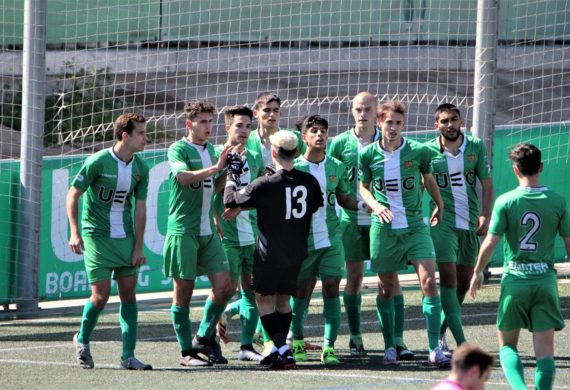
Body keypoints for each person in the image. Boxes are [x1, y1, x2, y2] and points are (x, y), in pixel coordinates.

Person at [469, 143, 570, 390]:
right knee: (545, 353)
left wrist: (477, 271)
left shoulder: (505, 201)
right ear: (542, 167)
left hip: (515, 281)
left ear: (515, 170)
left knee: (507, 346)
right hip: (545, 282)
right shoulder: (557, 201)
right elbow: (569, 243)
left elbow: (491, 241)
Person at [359, 100, 450, 367]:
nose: (393, 127)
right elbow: (363, 187)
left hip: (414, 227)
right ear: (379, 123)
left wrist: (439, 204)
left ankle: (435, 348)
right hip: (384, 229)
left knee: (430, 283)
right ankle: (390, 346)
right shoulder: (367, 155)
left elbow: (429, 179)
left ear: (403, 124)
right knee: (386, 289)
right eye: (389, 122)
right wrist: (376, 206)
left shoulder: (419, 151)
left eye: (398, 123)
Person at [224, 130, 323, 369]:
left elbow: (230, 200)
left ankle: (281, 349)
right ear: (298, 152)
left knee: (264, 301)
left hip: (270, 252)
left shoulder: (264, 184)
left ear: (274, 152)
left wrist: (231, 175)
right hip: (296, 250)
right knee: (284, 302)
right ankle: (281, 348)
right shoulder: (309, 180)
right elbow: (315, 205)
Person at [328, 92, 413, 360]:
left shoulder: (388, 140)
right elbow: (333, 180)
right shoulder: (340, 143)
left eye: (367, 109)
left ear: (377, 113)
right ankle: (355, 337)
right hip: (351, 222)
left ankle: (397, 339)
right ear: (351, 111)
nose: (362, 113)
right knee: (354, 277)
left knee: (389, 279)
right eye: (357, 109)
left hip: (383, 221)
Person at [67, 113, 152, 370]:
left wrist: (138, 246)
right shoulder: (98, 161)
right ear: (125, 136)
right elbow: (73, 195)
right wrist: (74, 232)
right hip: (97, 236)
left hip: (124, 237)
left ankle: (128, 355)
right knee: (101, 296)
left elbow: (140, 210)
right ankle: (82, 340)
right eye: (141, 133)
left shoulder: (141, 168)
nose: (146, 139)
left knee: (129, 294)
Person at [163, 100, 233, 367]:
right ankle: (186, 353)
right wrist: (216, 167)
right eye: (202, 121)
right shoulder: (178, 148)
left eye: (210, 121)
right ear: (188, 124)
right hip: (183, 231)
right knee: (184, 294)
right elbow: (182, 177)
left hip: (207, 231)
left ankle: (203, 336)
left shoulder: (213, 150)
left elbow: (212, 188)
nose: (208, 126)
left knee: (225, 287)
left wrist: (226, 172)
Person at [291, 115, 361, 365]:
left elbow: (344, 198)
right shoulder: (293, 167)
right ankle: (297, 340)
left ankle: (329, 347)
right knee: (301, 290)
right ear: (304, 137)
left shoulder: (336, 166)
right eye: (314, 131)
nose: (319, 135)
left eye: (323, 131)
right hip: (302, 240)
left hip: (331, 236)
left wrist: (367, 206)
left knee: (332, 286)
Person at [425, 103, 493, 355]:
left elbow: (487, 184)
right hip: (443, 224)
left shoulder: (475, 146)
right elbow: (423, 184)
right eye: (444, 121)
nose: (450, 125)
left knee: (464, 283)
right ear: (436, 125)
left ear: (461, 121)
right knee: (450, 281)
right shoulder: (427, 151)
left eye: (454, 119)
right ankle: (459, 342)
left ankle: (440, 330)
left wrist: (485, 214)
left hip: (470, 223)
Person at [212, 105, 265, 362]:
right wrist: (215, 220)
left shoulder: (254, 156)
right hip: (227, 236)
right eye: (239, 126)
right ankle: (208, 341)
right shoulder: (216, 155)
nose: (244, 131)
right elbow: (209, 193)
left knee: (252, 290)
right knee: (224, 289)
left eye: (247, 126)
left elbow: (259, 192)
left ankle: (246, 346)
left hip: (251, 233)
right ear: (227, 127)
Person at [247, 91, 306, 166]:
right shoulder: (247, 140)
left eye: (276, 110)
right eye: (267, 110)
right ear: (255, 113)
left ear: (280, 114)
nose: (272, 114)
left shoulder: (295, 137)